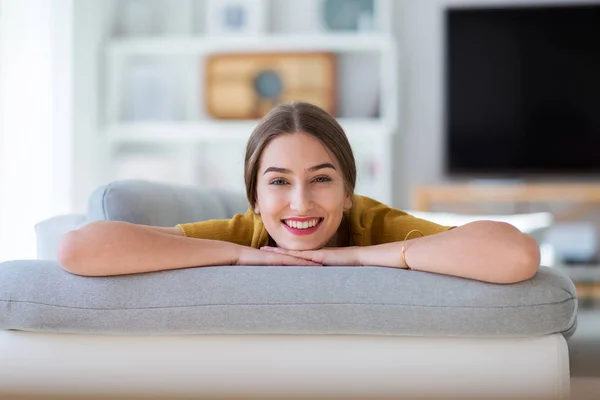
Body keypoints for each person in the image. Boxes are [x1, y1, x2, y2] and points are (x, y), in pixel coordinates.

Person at [58, 102, 540, 283]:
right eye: (279, 182)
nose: (301, 203)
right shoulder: (242, 234)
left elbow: (516, 254)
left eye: (322, 179)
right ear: (254, 198)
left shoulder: (373, 225)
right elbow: (77, 248)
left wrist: (359, 257)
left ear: (349, 192)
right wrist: (239, 257)